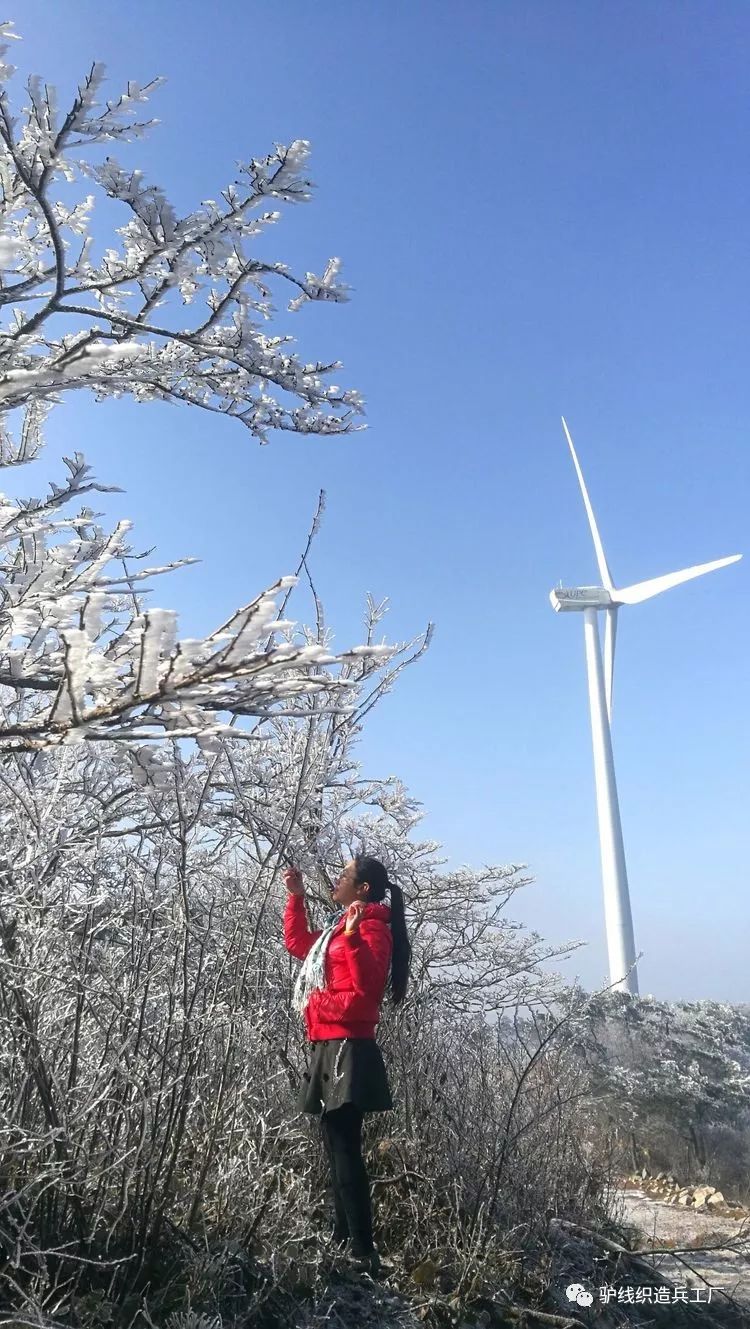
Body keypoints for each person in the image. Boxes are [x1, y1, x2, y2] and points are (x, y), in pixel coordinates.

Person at [283, 854, 411, 1275]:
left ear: (363, 890)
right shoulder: (340, 930)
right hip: (328, 1044)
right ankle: (345, 1239)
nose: (335, 881)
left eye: (344, 876)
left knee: (345, 1147)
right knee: (334, 1143)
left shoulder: (371, 929)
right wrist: (296, 900)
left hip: (349, 1047)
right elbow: (300, 946)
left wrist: (318, 1000)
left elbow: (366, 992)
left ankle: (362, 1249)